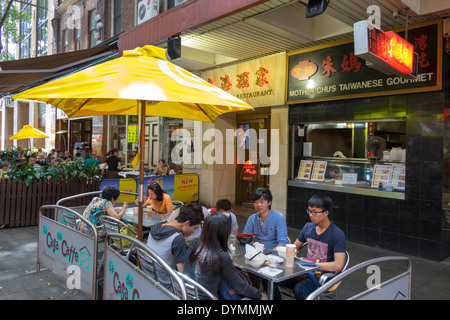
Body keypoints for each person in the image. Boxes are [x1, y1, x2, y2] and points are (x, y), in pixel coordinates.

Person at [183, 213, 268, 300]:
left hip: (184, 294)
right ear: (224, 232)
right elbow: (240, 287)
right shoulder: (221, 256)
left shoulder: (194, 244)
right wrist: (260, 295)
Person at [277, 195, 346, 300]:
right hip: (304, 271)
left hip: (324, 276)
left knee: (300, 289)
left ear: (326, 213)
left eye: (314, 212)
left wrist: (313, 265)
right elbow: (294, 247)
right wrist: (293, 254)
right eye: (309, 211)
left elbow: (338, 265)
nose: (310, 215)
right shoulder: (308, 227)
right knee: (271, 277)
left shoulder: (337, 234)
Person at [146, 203, 203, 289]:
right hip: (166, 287)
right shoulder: (177, 239)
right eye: (195, 228)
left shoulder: (156, 227)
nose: (194, 232)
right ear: (187, 223)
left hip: (148, 276)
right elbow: (182, 274)